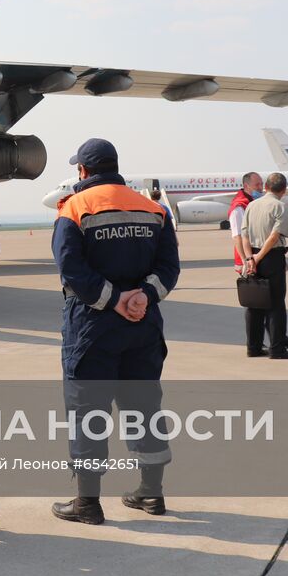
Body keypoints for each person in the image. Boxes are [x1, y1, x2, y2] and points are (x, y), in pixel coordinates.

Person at [50, 139, 180, 525]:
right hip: (143, 324)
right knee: (145, 407)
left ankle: (88, 503)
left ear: (83, 171)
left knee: (88, 412)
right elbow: (169, 267)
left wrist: (113, 299)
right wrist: (140, 297)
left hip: (92, 326)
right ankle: (151, 493)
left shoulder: (74, 207)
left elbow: (71, 269)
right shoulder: (153, 208)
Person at [240, 173, 288, 359]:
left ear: (265, 187)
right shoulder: (281, 207)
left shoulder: (251, 205)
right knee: (275, 304)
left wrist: (250, 258)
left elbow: (244, 235)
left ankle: (254, 347)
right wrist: (259, 257)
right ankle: (277, 348)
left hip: (252, 255)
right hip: (271, 257)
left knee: (254, 304)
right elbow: (274, 236)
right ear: (283, 190)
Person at [229, 172, 267, 353]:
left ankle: (275, 337)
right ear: (246, 186)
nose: (261, 187)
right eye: (257, 184)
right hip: (247, 261)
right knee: (255, 304)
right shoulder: (239, 207)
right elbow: (237, 237)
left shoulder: (251, 203)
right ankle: (254, 345)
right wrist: (246, 260)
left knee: (265, 302)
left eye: (261, 184)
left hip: (255, 258)